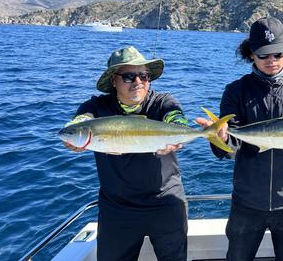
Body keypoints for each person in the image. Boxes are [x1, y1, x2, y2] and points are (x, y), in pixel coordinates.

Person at [196, 16, 283, 261]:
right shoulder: (236, 90)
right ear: (251, 54)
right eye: (264, 55)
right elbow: (231, 147)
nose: (272, 61)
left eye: (278, 54)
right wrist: (220, 138)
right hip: (247, 202)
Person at [61, 46, 188, 261]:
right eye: (129, 76)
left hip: (166, 204)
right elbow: (80, 121)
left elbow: (175, 117)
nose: (138, 81)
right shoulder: (96, 107)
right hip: (117, 209)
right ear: (113, 80)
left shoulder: (163, 102)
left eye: (144, 75)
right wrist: (73, 130)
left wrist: (181, 133)